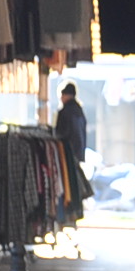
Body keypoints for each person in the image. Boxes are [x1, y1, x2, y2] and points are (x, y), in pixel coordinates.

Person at [54, 83, 94, 221]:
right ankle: (73, 215)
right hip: (77, 155)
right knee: (74, 185)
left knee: (65, 186)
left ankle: (65, 216)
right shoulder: (79, 112)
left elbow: (60, 134)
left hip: (64, 154)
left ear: (65, 95)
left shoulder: (65, 112)